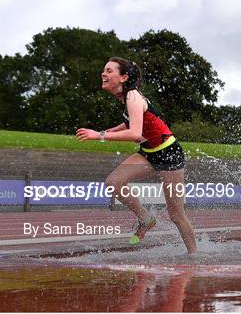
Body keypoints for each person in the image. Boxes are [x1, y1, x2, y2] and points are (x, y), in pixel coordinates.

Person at [76, 57, 197, 253]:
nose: (103, 74)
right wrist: (111, 130)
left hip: (169, 155)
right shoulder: (126, 98)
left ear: (123, 77)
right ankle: (146, 218)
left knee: (176, 214)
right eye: (103, 70)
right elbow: (131, 123)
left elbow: (134, 133)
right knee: (113, 183)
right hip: (149, 153)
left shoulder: (132, 96)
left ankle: (194, 256)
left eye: (109, 71)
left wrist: (100, 135)